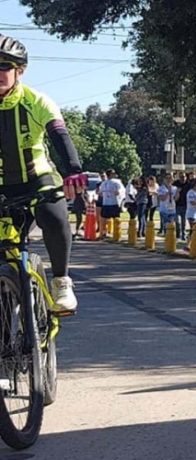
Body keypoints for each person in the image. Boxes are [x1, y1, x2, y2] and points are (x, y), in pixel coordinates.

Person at [0, 35, 83, 313]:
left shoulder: (36, 101)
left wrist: (72, 171)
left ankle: (61, 280)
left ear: (19, 71)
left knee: (55, 217)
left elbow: (59, 135)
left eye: (4, 66)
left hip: (38, 179)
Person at [99, 169, 124, 239]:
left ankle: (117, 233)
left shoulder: (117, 182)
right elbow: (100, 193)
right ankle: (104, 233)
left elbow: (121, 190)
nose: (114, 175)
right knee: (104, 219)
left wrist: (118, 192)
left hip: (114, 203)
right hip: (106, 203)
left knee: (116, 218)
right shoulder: (104, 183)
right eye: (113, 173)